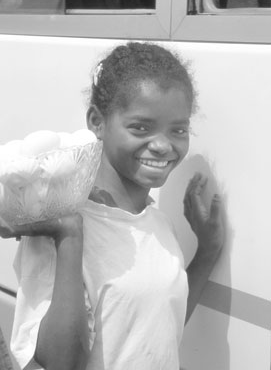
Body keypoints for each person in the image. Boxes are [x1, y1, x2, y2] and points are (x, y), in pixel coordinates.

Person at [1, 42, 224, 370]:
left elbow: (160, 325)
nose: (163, 145)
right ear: (97, 121)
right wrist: (69, 235)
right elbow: (62, 363)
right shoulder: (61, 224)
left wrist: (207, 250)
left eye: (178, 130)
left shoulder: (158, 223)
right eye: (141, 127)